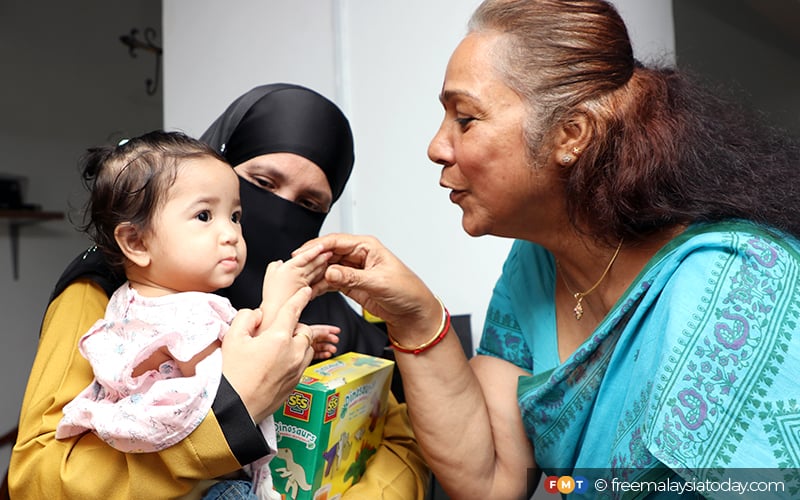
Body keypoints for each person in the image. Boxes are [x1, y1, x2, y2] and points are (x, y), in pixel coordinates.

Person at [296, 0, 800, 498]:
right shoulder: (535, 264)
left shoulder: (733, 279)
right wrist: (418, 319)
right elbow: (492, 479)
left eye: (465, 118)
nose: (436, 147)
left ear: (571, 135)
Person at [10, 84, 428, 499]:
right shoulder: (110, 291)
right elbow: (38, 479)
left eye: (310, 205)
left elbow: (402, 447)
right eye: (262, 182)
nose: (275, 215)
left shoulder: (322, 304)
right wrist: (230, 411)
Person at [53, 131, 337, 500]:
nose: (231, 234)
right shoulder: (193, 313)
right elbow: (233, 384)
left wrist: (301, 338)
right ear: (136, 242)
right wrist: (278, 303)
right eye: (204, 216)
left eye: (235, 216)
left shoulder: (126, 303)